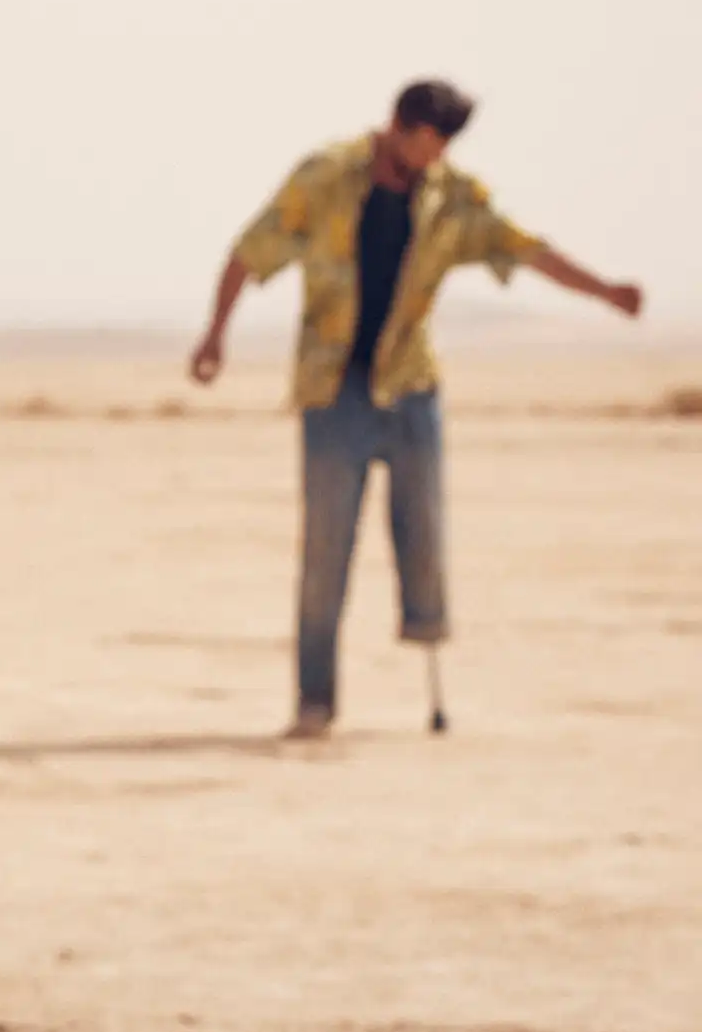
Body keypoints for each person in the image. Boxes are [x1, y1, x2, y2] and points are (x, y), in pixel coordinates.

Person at [188, 79, 641, 738]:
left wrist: (604, 292)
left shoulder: (452, 200)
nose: (437, 157)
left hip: (410, 387)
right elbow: (248, 252)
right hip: (334, 390)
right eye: (430, 142)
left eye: (446, 146)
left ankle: (426, 636)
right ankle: (315, 703)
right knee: (325, 554)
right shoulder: (325, 178)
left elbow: (524, 249)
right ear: (398, 126)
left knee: (424, 530)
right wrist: (215, 335)